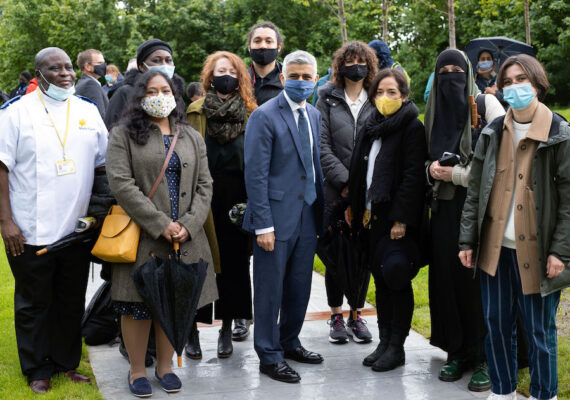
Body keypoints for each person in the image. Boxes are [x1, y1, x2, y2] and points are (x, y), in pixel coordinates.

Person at [459, 54, 570, 400]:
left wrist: (560, 251)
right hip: (495, 250)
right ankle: (503, 392)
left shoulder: (559, 134)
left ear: (537, 83)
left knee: (539, 332)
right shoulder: (492, 132)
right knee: (497, 326)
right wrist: (467, 239)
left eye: (522, 79)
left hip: (538, 253)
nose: (514, 87)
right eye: (507, 82)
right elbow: (476, 190)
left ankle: (544, 394)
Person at [0, 47, 108, 394]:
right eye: (54, 68)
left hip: (77, 230)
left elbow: (103, 164)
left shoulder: (88, 111)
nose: (65, 73)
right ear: (39, 74)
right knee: (34, 302)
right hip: (30, 230)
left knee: (70, 299)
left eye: (67, 67)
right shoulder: (16, 113)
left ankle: (66, 363)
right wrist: (6, 222)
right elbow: (1, 168)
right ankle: (37, 368)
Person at [106, 70, 217, 397]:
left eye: (165, 90)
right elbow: (121, 183)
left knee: (175, 300)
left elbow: (205, 184)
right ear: (140, 97)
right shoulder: (123, 133)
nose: (159, 96)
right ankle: (137, 370)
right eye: (151, 90)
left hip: (185, 237)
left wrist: (189, 224)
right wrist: (160, 223)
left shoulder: (189, 135)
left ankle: (165, 367)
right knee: (137, 305)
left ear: (174, 94)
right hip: (144, 235)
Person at [425, 49, 505, 392]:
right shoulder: (431, 113)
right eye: (444, 71)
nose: (451, 76)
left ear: (470, 74)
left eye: (458, 70)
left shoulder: (487, 108)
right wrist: (431, 171)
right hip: (443, 211)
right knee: (448, 281)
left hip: (481, 211)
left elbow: (497, 167)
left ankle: (485, 355)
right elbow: (422, 162)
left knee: (479, 284)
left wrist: (453, 174)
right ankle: (457, 351)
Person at [242, 50, 324, 383]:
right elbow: (256, 175)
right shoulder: (264, 116)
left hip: (307, 214)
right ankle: (269, 355)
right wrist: (263, 224)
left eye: (307, 77)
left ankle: (289, 342)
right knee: (269, 290)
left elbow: (314, 165)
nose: (301, 82)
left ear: (315, 80)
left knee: (299, 286)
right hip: (273, 219)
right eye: (295, 76)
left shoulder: (314, 115)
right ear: (282, 77)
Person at [346, 68, 426, 371]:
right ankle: (383, 341)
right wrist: (352, 203)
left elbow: (412, 177)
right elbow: (359, 169)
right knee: (380, 279)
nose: (384, 98)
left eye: (391, 92)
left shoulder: (411, 127)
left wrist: (401, 219)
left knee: (395, 275)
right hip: (370, 217)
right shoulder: (371, 125)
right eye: (379, 92)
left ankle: (397, 346)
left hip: (394, 220)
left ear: (403, 96)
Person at [186, 51, 257, 357]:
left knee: (234, 266)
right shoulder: (195, 111)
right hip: (202, 197)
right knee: (197, 264)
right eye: (219, 70)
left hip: (237, 201)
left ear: (240, 76)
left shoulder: (252, 114)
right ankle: (192, 331)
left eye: (230, 70)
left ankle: (227, 328)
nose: (224, 74)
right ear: (209, 76)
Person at [316, 41, 378, 344]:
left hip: (367, 191)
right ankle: (336, 315)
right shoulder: (326, 98)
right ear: (340, 66)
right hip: (335, 191)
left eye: (361, 61)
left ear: (369, 65)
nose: (356, 66)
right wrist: (346, 182)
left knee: (361, 255)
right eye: (349, 60)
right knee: (336, 255)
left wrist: (363, 185)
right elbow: (322, 146)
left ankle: (357, 315)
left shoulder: (376, 99)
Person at [105, 38, 185, 129]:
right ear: (142, 67)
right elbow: (111, 130)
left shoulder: (175, 96)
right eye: (156, 60)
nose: (164, 65)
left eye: (168, 60)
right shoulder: (125, 92)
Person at [247, 21, 283, 106]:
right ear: (249, 47)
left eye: (268, 41)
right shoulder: (240, 80)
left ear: (278, 47)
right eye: (257, 41)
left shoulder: (290, 80)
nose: (263, 46)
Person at [75, 49, 109, 118]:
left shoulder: (83, 83)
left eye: (104, 63)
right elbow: (100, 117)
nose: (104, 66)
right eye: (100, 63)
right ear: (87, 67)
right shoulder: (90, 84)